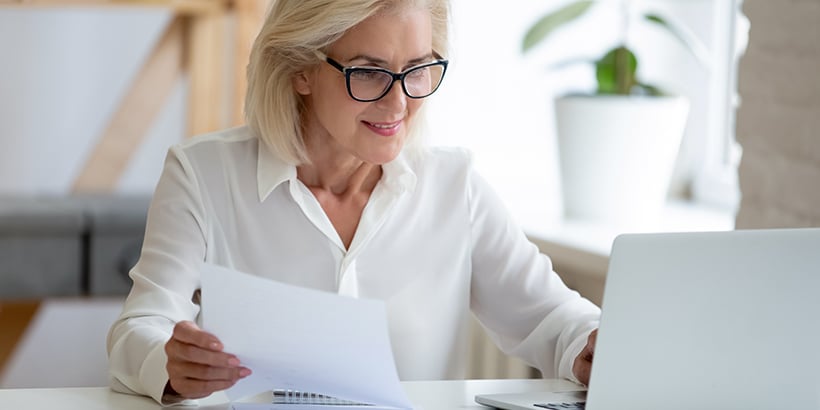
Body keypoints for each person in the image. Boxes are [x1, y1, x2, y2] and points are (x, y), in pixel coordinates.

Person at [106, 0, 601, 405]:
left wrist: (591, 346)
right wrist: (170, 364)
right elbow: (142, 326)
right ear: (301, 69)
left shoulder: (455, 185)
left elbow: (548, 317)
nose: (399, 103)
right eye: (368, 72)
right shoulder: (204, 175)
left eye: (417, 69)